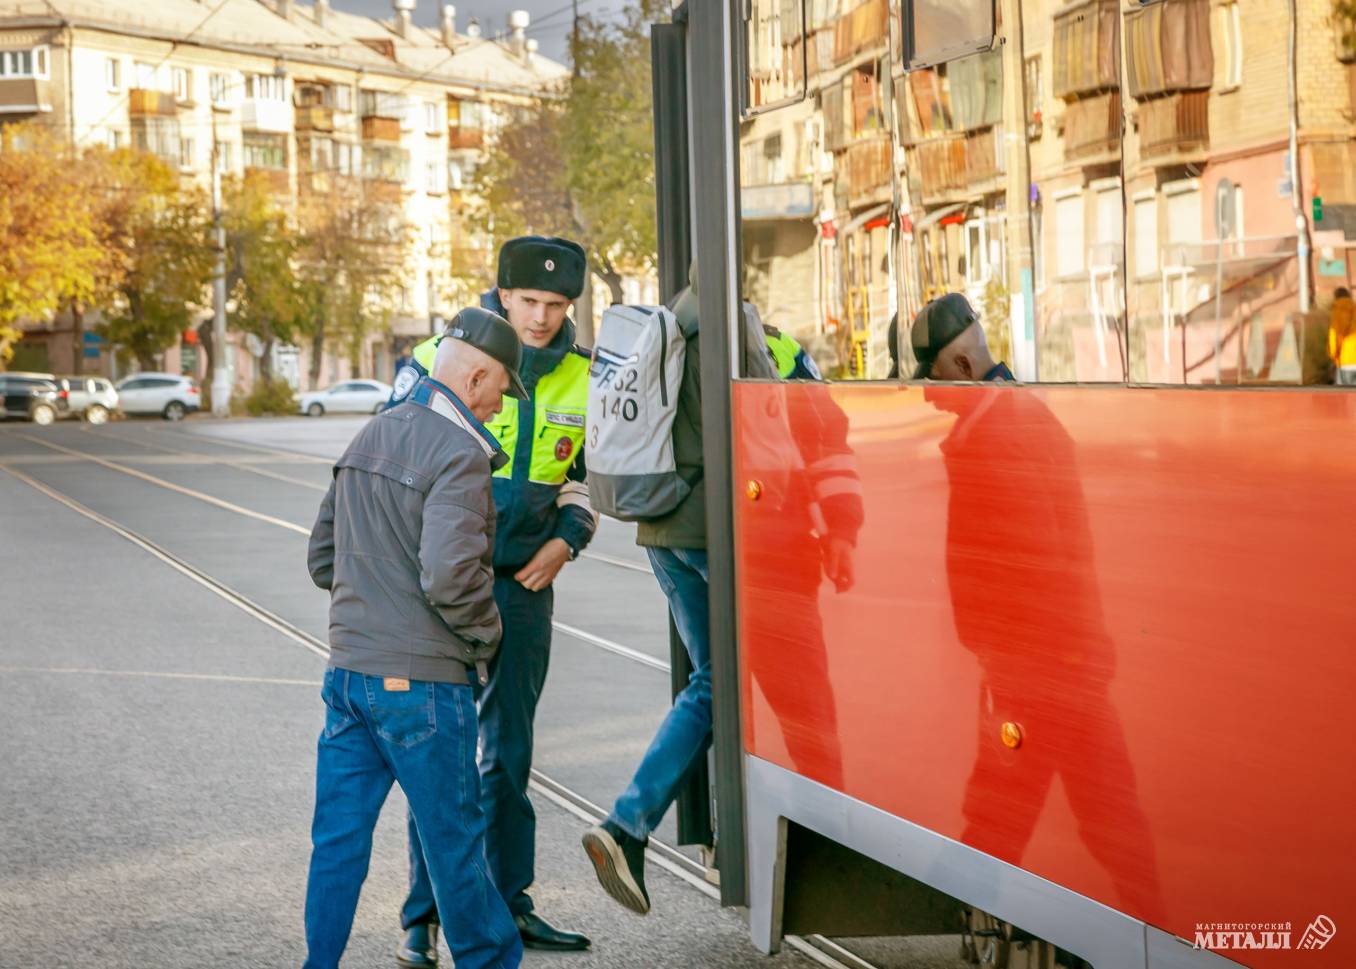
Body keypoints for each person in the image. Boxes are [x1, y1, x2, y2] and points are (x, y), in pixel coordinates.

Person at [581, 271, 861, 916]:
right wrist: (830, 529)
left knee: (715, 682)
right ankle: (833, 831)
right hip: (721, 534)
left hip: (665, 533)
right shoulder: (734, 329)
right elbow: (768, 436)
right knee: (800, 680)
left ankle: (627, 827)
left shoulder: (669, 324)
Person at [919, 295, 1165, 926]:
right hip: (1064, 662)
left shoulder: (998, 435)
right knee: (1097, 810)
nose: (926, 396)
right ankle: (1153, 924)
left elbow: (1032, 560)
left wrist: (1009, 659)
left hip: (1039, 668)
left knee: (1016, 806)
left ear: (964, 366)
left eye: (931, 378)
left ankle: (1155, 932)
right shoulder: (1016, 417)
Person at [302, 307, 528, 969]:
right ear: (478, 376)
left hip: (348, 679)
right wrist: (488, 635)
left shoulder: (369, 435)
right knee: (455, 845)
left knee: (337, 842)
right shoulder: (459, 453)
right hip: (423, 686)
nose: (497, 408)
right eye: (499, 392)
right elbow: (450, 575)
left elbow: (322, 558)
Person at [394, 237, 596, 965]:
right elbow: (395, 457)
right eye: (528, 302)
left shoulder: (586, 374)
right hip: (442, 590)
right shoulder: (434, 359)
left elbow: (585, 473)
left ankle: (510, 905)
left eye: (555, 304)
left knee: (509, 756)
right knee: (439, 756)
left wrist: (568, 539)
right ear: (502, 296)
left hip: (522, 587)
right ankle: (423, 916)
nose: (541, 318)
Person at [909, 292, 1013, 382]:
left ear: (964, 366)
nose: (928, 396)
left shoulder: (996, 403)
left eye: (935, 380)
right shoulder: (1006, 397)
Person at [1329, 287, 1356, 385]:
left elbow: (1335, 337)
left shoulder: (1337, 312)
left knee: (1342, 397)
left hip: (1345, 362)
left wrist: (1333, 357)